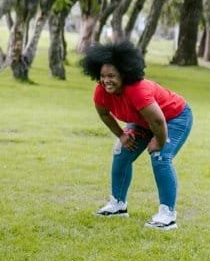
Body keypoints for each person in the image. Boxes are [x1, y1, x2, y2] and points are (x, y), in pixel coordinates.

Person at [80, 40, 192, 230]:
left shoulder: (137, 91)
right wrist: (122, 134)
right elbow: (104, 114)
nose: (107, 80)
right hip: (144, 120)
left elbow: (158, 121)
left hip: (174, 118)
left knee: (160, 157)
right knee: (121, 151)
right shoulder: (101, 92)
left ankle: (167, 215)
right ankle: (117, 205)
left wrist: (159, 140)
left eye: (112, 76)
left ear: (124, 74)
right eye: (103, 76)